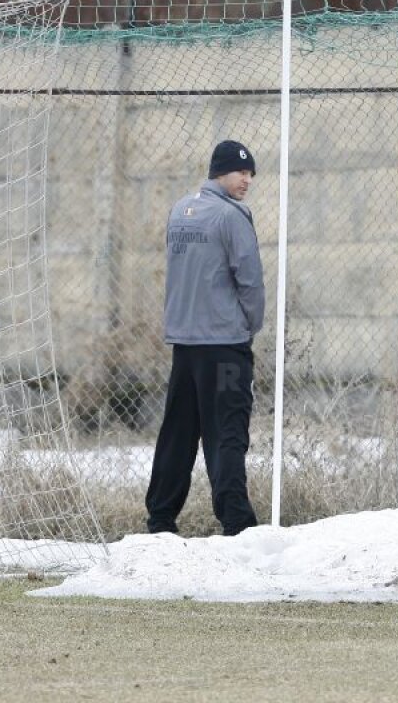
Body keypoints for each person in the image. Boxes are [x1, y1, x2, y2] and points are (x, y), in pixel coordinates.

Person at [145, 139, 265, 537]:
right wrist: (249, 328)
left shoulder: (180, 210)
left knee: (177, 434)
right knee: (227, 431)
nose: (246, 180)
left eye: (249, 174)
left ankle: (161, 519)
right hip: (225, 346)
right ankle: (237, 523)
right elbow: (250, 281)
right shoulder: (232, 216)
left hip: (185, 344)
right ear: (220, 171)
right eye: (240, 172)